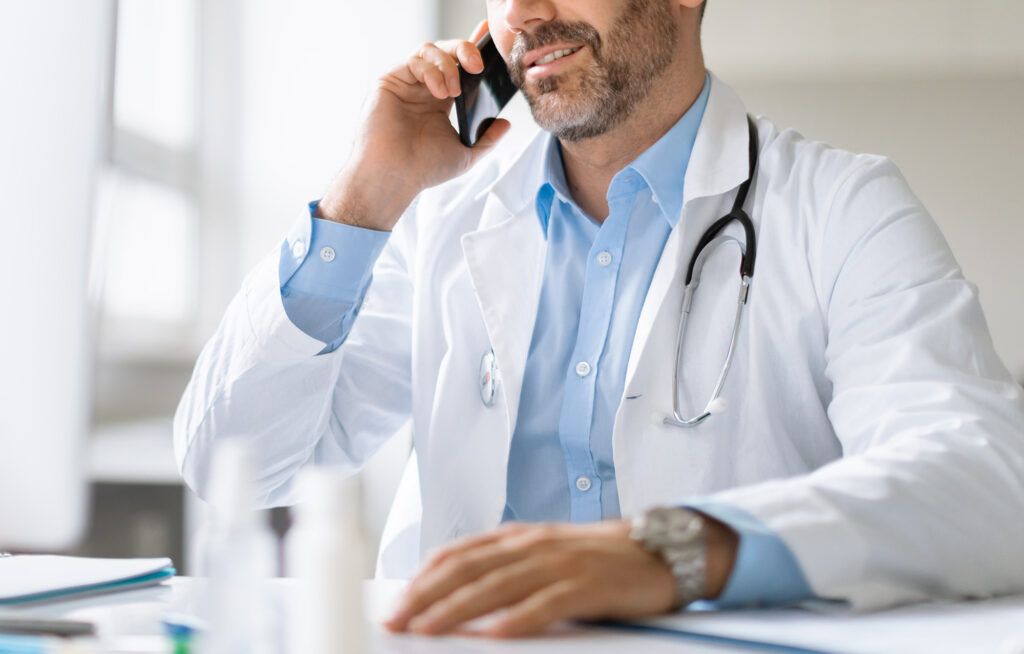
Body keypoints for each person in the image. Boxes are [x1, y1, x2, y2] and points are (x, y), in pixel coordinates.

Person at [174, 0, 1024, 638]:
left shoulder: (841, 207)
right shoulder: (442, 218)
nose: (524, 17)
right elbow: (233, 461)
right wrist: (364, 194)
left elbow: (984, 481)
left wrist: (679, 553)